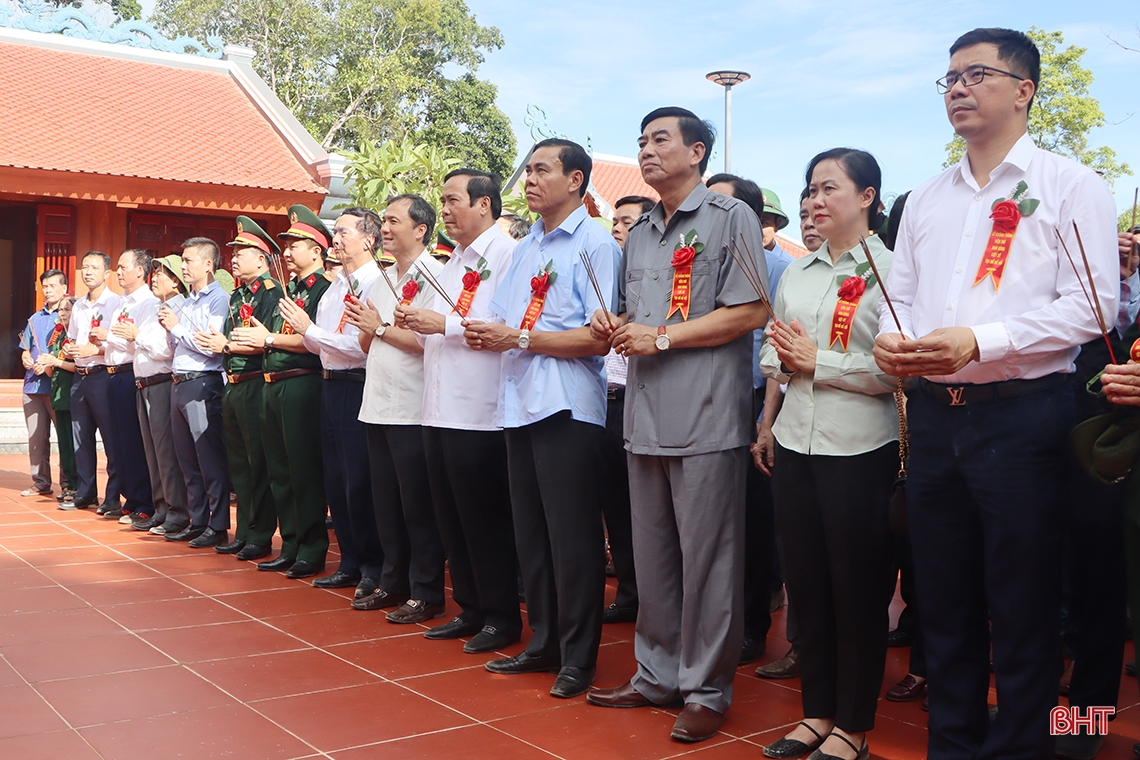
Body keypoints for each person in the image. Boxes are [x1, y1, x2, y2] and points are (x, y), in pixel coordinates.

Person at [873, 28, 1119, 760]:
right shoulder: (925, 199)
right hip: (937, 420)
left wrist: (980, 342)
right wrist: (894, 338)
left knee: (1023, 607)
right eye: (947, 78)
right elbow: (903, 296)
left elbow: (1093, 307)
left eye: (976, 74)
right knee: (944, 603)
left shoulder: (1072, 185)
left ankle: (1023, 746)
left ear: (1024, 89)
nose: (956, 88)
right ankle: (951, 744)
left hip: (1024, 419)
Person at [586, 107, 768, 744]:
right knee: (653, 557)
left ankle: (707, 689)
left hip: (709, 417)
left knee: (710, 563)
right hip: (644, 416)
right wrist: (620, 330)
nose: (646, 150)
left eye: (660, 140)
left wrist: (659, 337)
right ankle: (655, 674)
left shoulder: (730, 217)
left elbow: (749, 310)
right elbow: (636, 318)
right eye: (641, 141)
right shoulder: (638, 232)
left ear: (697, 151)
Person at [464, 138, 619, 699]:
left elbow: (598, 339)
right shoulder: (526, 243)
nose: (528, 180)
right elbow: (501, 318)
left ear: (576, 181)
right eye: (527, 170)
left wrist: (519, 336)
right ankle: (544, 642)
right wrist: (487, 333)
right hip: (519, 401)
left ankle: (579, 658)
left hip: (568, 405)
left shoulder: (595, 244)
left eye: (541, 170)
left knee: (573, 539)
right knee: (532, 533)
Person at [759, 149, 897, 760]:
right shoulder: (798, 270)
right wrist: (767, 418)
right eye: (810, 189)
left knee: (857, 588)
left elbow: (898, 372)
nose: (815, 200)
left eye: (829, 188)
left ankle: (854, 725)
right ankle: (816, 712)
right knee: (807, 584)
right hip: (795, 440)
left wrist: (825, 364)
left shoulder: (893, 271)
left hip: (859, 447)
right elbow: (777, 355)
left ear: (867, 196)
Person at [395, 169, 523, 652]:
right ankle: (470, 608)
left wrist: (441, 322)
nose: (444, 210)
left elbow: (505, 325)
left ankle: (501, 617)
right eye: (443, 202)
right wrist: (420, 322)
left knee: (484, 519)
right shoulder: (451, 263)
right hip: (438, 406)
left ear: (484, 205)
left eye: (452, 201)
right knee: (452, 517)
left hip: (479, 409)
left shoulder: (509, 255)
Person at [345, 194, 447, 623]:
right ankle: (392, 581)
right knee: (384, 502)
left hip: (412, 405)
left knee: (416, 506)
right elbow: (366, 343)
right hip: (377, 403)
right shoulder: (379, 279)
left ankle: (426, 591)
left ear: (420, 229)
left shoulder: (436, 276)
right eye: (383, 222)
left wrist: (380, 328)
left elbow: (430, 343)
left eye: (393, 222)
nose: (384, 229)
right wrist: (369, 328)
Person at [706, 173, 793, 666]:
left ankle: (752, 626)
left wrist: (765, 421)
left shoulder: (779, 269)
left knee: (752, 522)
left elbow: (775, 351)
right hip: (707, 400)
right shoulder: (699, 263)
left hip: (755, 402)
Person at [281, 207, 386, 599]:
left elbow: (360, 348)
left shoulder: (376, 283)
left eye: (343, 232)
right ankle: (350, 562)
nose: (335, 239)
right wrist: (302, 329)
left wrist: (309, 331)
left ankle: (374, 567)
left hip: (356, 384)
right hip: (329, 384)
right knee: (336, 480)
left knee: (359, 480)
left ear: (368, 240)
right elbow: (320, 340)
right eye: (335, 232)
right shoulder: (335, 286)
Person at [230, 205, 334, 578]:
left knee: (304, 471)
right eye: (287, 244)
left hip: (301, 383)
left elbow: (316, 342)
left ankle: (311, 548)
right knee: (280, 472)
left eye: (296, 244)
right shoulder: (289, 291)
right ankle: (290, 544)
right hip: (273, 386)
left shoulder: (325, 290)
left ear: (317, 250)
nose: (287, 251)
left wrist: (269, 338)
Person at [192, 218, 284, 555]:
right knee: (240, 466)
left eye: (241, 252)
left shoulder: (272, 293)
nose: (233, 258)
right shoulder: (238, 294)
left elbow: (268, 340)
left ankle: (260, 536)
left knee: (259, 464)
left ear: (261, 258)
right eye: (232, 251)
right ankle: (244, 531)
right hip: (232, 383)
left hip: (255, 382)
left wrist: (226, 346)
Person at [600, 194, 655, 626]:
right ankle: (630, 593)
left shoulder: (652, 278)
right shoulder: (608, 270)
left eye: (629, 222)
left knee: (644, 507)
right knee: (615, 503)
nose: (619, 228)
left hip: (638, 397)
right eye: (615, 221)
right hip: (605, 400)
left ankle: (653, 597)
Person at [158, 238, 232, 544]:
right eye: (183, 260)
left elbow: (210, 345)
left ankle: (218, 526)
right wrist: (172, 330)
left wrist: (176, 327)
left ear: (207, 264)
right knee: (188, 459)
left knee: (208, 457)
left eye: (188, 261)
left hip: (203, 382)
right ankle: (198, 519)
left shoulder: (218, 298)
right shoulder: (188, 301)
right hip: (180, 382)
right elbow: (182, 344)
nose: (184, 266)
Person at [123, 254, 190, 535]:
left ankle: (177, 511)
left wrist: (137, 335)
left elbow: (165, 350)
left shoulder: (179, 308)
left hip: (162, 383)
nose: (155, 278)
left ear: (175, 281)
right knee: (152, 451)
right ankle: (161, 508)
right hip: (144, 383)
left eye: (161, 274)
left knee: (166, 452)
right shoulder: (156, 308)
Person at [94, 250, 157, 523]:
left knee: (134, 441)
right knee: (117, 441)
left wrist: (111, 338)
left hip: (131, 373)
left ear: (140, 271)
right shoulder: (122, 303)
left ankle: (144, 500)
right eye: (117, 267)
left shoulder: (149, 303)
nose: (118, 272)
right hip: (112, 374)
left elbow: (140, 342)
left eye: (123, 267)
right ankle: (129, 497)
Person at [61, 251, 122, 511]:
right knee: (81, 439)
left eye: (94, 268)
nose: (88, 272)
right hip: (80, 377)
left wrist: (96, 351)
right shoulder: (78, 306)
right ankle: (85, 493)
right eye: (85, 267)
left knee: (111, 439)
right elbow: (74, 338)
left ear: (106, 273)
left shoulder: (116, 304)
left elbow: (122, 346)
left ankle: (112, 497)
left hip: (103, 376)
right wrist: (70, 348)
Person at [19, 269, 68, 498]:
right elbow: (25, 349)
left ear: (64, 288)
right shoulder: (34, 318)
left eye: (52, 285)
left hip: (57, 385)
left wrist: (50, 364)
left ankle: (69, 484)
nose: (47, 290)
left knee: (65, 436)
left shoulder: (68, 315)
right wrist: (26, 358)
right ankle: (40, 481)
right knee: (36, 437)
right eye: (44, 286)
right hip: (32, 386)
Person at [32, 296, 78, 503]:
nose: (63, 312)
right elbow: (51, 372)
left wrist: (56, 362)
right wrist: (46, 363)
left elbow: (77, 366)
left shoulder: (78, 334)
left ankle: (77, 486)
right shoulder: (57, 334)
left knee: (75, 442)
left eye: (67, 309)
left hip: (74, 393)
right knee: (64, 443)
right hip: (58, 393)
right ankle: (69, 485)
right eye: (60, 309)